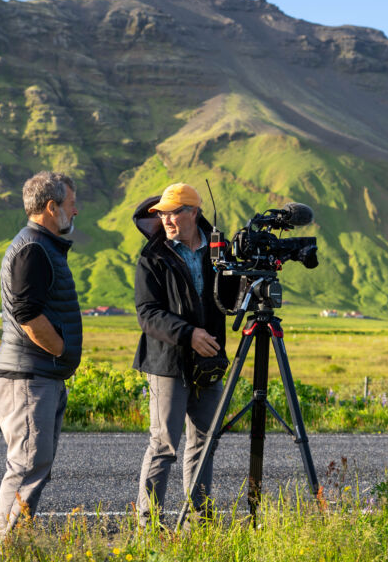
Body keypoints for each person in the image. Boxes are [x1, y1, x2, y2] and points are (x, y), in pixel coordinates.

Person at [132, 182, 237, 526]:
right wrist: (188, 334)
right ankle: (148, 526)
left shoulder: (221, 251)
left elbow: (231, 302)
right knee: (164, 445)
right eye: (162, 213)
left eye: (174, 211)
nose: (167, 219)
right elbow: (147, 313)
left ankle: (201, 521)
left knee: (205, 443)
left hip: (208, 362)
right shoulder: (153, 255)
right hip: (167, 363)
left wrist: (246, 283)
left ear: (194, 212)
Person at [0, 170, 82, 542]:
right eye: (71, 205)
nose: (75, 214)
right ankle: (8, 548)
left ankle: (15, 544)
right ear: (51, 207)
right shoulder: (33, 249)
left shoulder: (40, 246)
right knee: (28, 464)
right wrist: (62, 352)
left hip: (37, 376)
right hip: (30, 378)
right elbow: (27, 314)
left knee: (34, 464)